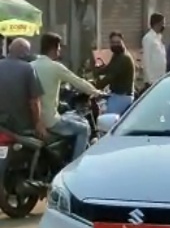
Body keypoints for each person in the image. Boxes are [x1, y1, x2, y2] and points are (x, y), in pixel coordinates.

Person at [31, 33, 99, 161]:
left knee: (72, 115)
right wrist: (96, 92)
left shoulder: (31, 66)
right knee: (84, 128)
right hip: (50, 120)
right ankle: (75, 165)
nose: (60, 50)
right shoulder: (55, 67)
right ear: (54, 48)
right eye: (59, 47)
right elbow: (77, 81)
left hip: (34, 118)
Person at [0, 38, 47, 138]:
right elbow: (34, 101)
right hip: (21, 128)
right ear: (25, 53)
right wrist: (38, 123)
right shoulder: (28, 68)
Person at [94, 31, 136, 115]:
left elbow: (110, 76)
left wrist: (94, 87)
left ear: (122, 42)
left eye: (118, 42)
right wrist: (96, 71)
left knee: (108, 121)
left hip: (121, 97)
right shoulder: (117, 55)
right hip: (117, 95)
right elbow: (108, 68)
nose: (115, 45)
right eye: (113, 43)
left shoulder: (123, 58)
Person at [141, 12, 167, 90]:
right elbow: (146, 60)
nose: (164, 26)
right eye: (162, 23)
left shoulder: (158, 37)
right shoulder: (148, 38)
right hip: (152, 81)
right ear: (157, 24)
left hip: (160, 78)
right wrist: (150, 80)